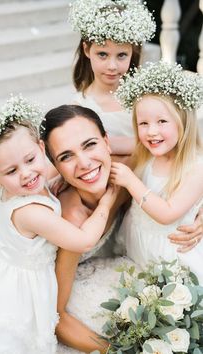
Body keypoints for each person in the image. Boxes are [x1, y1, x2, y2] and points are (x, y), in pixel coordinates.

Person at [40, 104, 203, 354]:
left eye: (90, 144)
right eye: (66, 156)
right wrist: (118, 350)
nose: (84, 163)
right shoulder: (72, 221)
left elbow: (184, 149)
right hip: (74, 300)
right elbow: (55, 315)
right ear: (56, 167)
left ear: (108, 142)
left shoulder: (127, 173)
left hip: (129, 267)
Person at [0, 96, 118, 353]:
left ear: (40, 148)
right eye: (11, 171)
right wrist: (107, 202)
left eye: (30, 160)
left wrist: (61, 173)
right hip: (20, 291)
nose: (26, 173)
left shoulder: (33, 182)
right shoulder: (30, 212)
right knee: (17, 342)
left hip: (11, 266)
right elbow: (83, 240)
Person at [111, 61, 203, 283]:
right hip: (140, 244)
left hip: (171, 255)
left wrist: (130, 181)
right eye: (143, 123)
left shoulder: (195, 166)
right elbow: (107, 144)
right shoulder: (148, 151)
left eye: (162, 121)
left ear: (183, 121)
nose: (152, 131)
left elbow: (167, 214)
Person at [68, 0, 156, 157]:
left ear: (132, 52)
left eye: (121, 55)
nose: (112, 66)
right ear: (87, 49)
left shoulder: (145, 95)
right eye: (102, 54)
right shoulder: (81, 107)